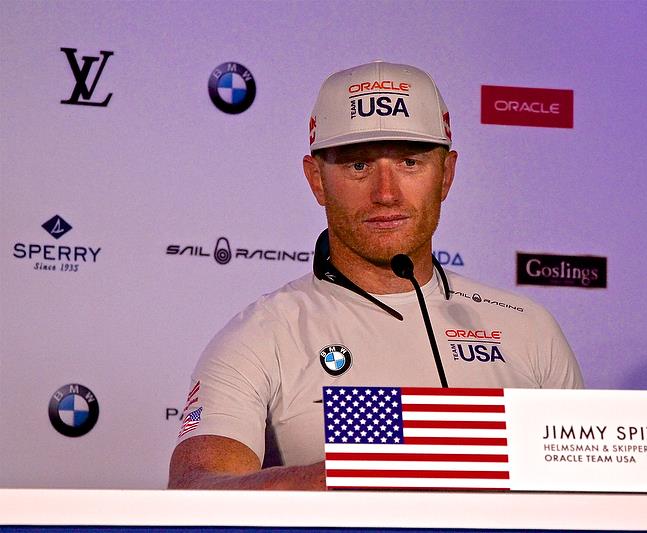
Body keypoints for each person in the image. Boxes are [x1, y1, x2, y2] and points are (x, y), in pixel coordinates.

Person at [168, 61, 584, 490]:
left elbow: (592, 492)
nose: (386, 194)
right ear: (317, 180)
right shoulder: (261, 335)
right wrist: (348, 478)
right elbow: (195, 489)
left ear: (447, 175)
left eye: (409, 162)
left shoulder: (528, 328)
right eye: (359, 166)